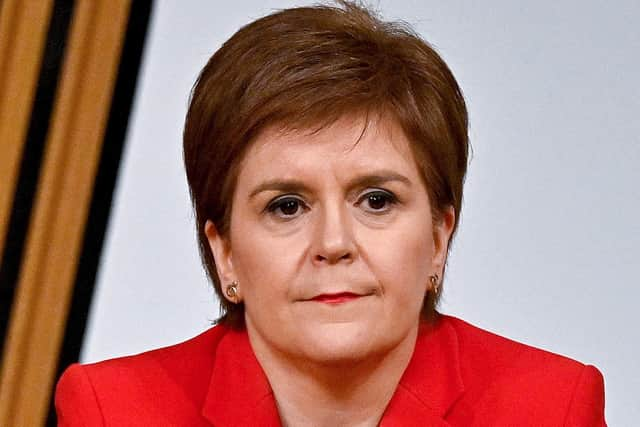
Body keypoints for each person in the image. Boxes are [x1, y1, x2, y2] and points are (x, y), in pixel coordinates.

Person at [55, 1, 607, 425]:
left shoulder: (549, 406)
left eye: (376, 200)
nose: (334, 242)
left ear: (439, 236)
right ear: (224, 252)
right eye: (287, 206)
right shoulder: (115, 409)